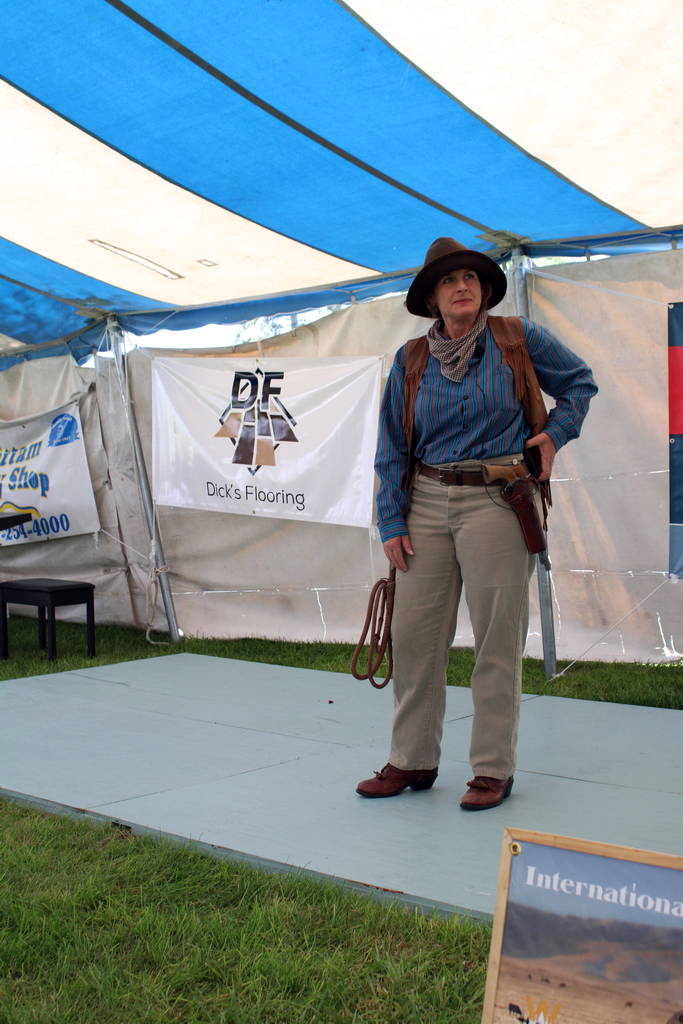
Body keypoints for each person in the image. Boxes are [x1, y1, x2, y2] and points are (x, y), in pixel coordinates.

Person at [356, 237, 597, 810]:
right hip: (424, 501)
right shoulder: (410, 359)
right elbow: (391, 445)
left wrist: (554, 435)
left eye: (469, 277)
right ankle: (412, 760)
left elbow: (580, 384)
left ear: (485, 290)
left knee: (496, 640)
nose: (461, 286)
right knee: (414, 638)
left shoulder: (517, 338)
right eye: (448, 280)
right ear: (432, 299)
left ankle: (492, 769)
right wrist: (391, 520)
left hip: (499, 499)